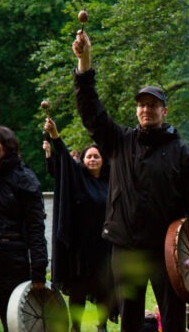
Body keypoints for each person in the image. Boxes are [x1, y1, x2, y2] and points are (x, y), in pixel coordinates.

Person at [72, 30, 189, 332]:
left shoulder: (182, 152)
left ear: (164, 111)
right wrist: (84, 62)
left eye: (153, 105)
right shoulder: (120, 142)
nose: (146, 109)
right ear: (137, 110)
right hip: (124, 246)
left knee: (173, 319)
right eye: (142, 104)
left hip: (168, 250)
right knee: (130, 320)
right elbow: (90, 111)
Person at [43, 117, 117, 332]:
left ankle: (101, 326)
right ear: (83, 160)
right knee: (79, 290)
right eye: (88, 157)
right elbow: (64, 158)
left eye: (96, 156)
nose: (92, 160)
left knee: (104, 288)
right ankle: (76, 327)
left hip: (104, 246)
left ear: (103, 160)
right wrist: (56, 137)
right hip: (80, 248)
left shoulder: (110, 182)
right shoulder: (78, 178)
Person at [0, 125, 48, 331]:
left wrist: (38, 271)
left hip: (12, 271)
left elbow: (36, 228)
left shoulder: (25, 179)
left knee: (15, 326)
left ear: (8, 147)